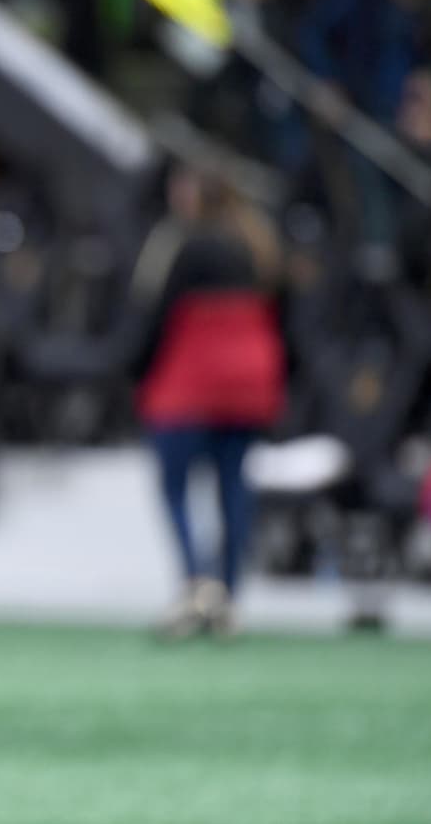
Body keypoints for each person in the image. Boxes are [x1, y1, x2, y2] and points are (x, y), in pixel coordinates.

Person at [131, 163, 285, 638]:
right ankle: (228, 593)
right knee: (233, 487)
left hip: (192, 376)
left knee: (175, 485)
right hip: (250, 378)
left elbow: (157, 315)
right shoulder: (259, 247)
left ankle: (197, 582)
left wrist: (136, 372)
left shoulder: (186, 246)